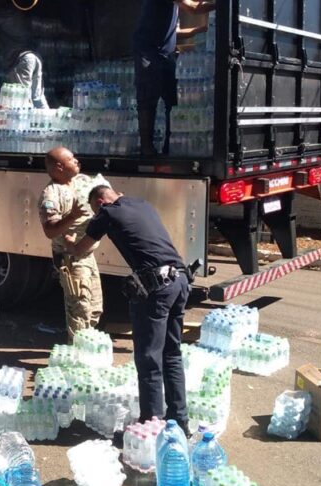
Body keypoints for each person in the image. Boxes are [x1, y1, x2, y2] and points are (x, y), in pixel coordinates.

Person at [65, 185, 189, 431]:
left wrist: (68, 241)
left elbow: (81, 248)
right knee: (171, 354)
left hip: (156, 288)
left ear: (100, 202)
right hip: (181, 281)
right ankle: (180, 421)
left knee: (148, 359)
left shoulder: (107, 213)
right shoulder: (141, 202)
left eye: (94, 208)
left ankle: (151, 427)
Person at [133, 0, 214, 155]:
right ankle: (146, 147)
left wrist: (201, 29)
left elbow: (175, 32)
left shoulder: (171, 8)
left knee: (172, 99)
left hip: (164, 54)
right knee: (148, 97)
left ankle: (169, 146)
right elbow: (194, 8)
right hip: (148, 50)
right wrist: (221, 5)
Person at [39, 147, 103, 343]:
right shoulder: (51, 195)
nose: (76, 161)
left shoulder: (81, 182)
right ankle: (77, 356)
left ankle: (87, 349)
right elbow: (49, 230)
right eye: (71, 159)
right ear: (59, 166)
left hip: (87, 256)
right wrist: (72, 217)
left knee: (94, 309)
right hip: (71, 259)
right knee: (79, 311)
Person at [0, 0, 49, 109]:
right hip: (34, 57)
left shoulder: (6, 12)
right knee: (37, 97)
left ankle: (26, 125)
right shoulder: (14, 14)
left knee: (22, 100)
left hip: (21, 59)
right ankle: (47, 121)